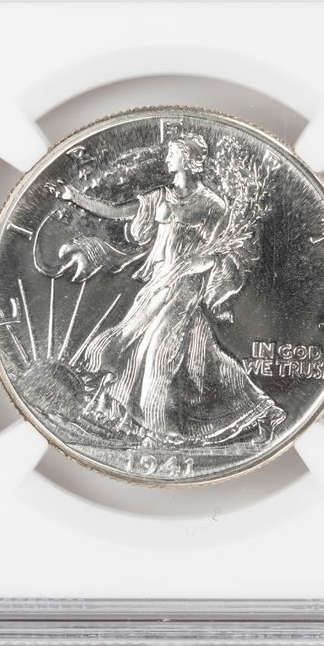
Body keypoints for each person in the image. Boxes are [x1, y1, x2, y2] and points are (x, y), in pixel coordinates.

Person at [54, 134, 285, 447]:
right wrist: (74, 196)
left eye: (173, 154)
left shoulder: (213, 205)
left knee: (156, 352)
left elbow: (218, 254)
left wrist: (193, 264)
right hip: (158, 283)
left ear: (188, 160)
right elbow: (117, 212)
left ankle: (156, 430)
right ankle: (261, 412)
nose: (167, 159)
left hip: (186, 287)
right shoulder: (160, 196)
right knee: (161, 351)